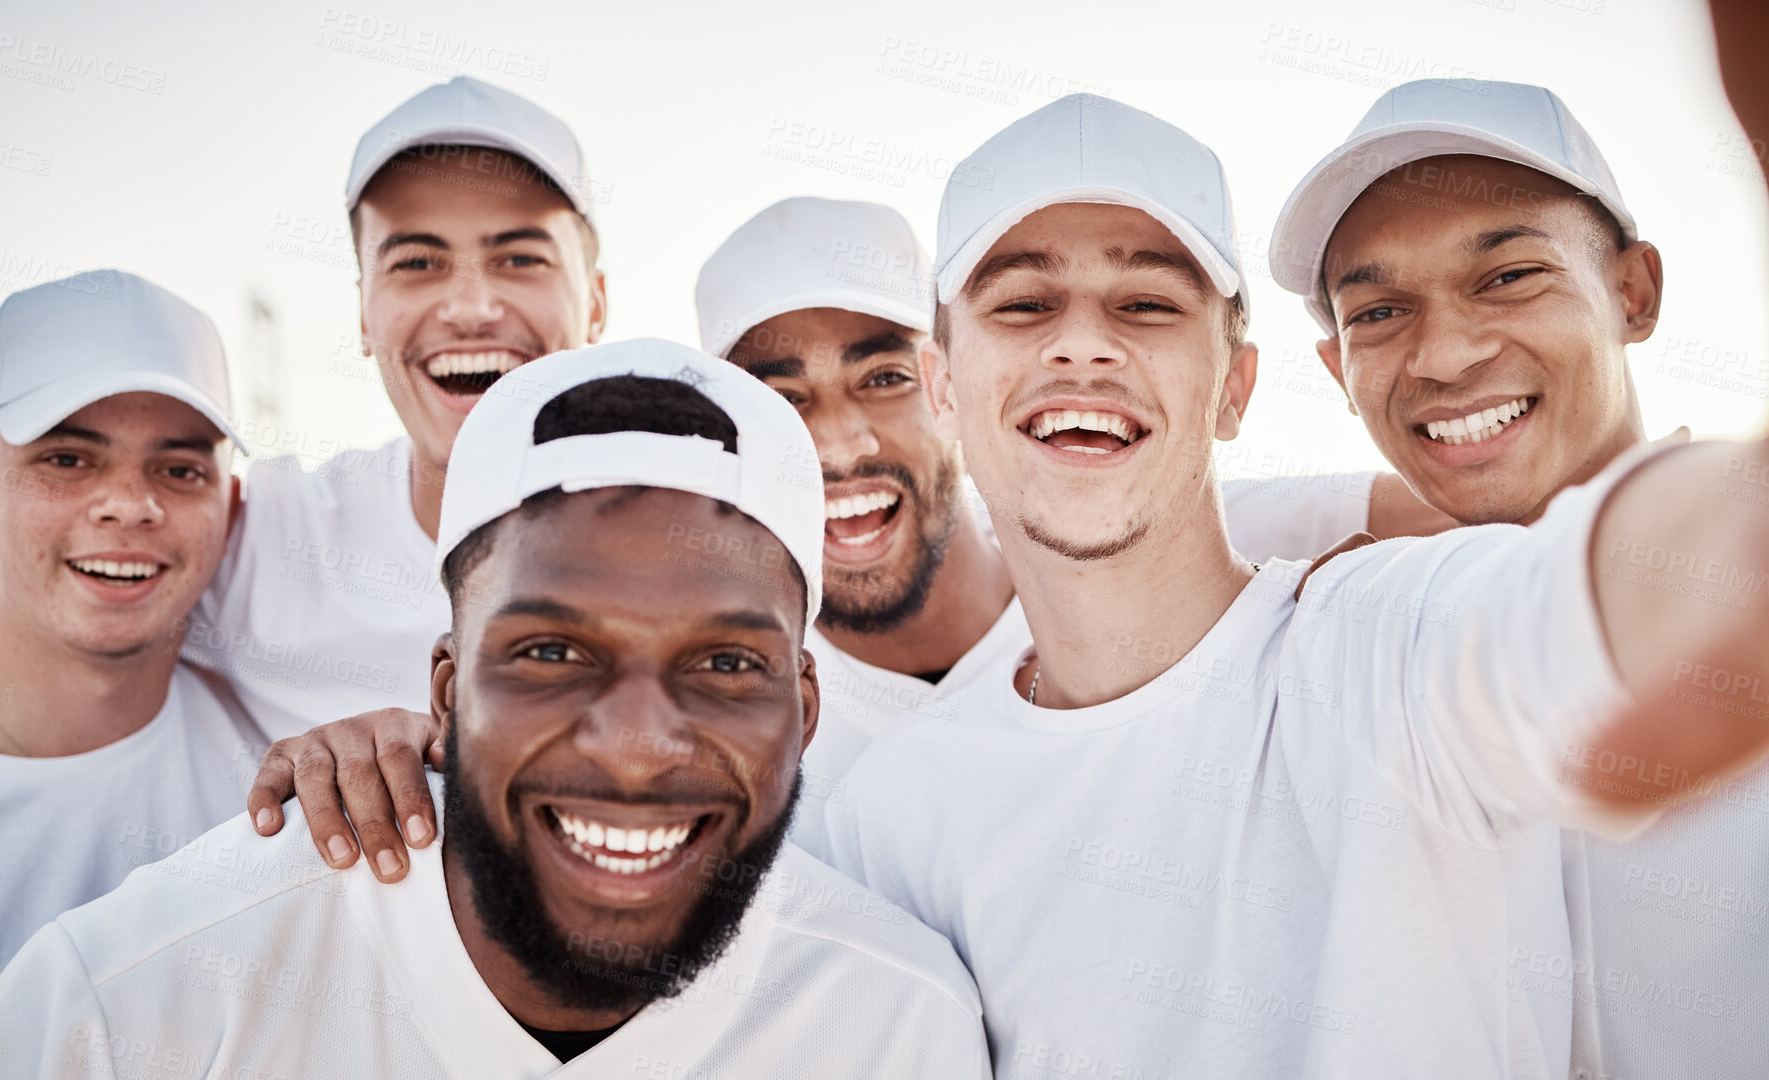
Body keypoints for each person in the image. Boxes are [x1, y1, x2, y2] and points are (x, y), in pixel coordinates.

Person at [823, 92, 1769, 1077]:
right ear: (939, 387)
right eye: (1021, 304)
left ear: (1236, 387)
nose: (1082, 347)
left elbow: (1600, 568)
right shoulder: (883, 816)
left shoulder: (1394, 642)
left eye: (1146, 304)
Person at [243, 194, 1455, 867]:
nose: (833, 444)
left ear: (945, 383)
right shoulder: (741, 715)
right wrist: (414, 741)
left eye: (876, 377)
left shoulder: (1154, 539)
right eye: (779, 396)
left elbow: (1496, 500)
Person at [0, 339, 990, 1078]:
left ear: (804, 708)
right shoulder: (147, 989)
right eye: (548, 651)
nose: (633, 747)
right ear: (443, 690)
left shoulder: (896, 1021)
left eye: (723, 666)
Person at [0, 75, 608, 881]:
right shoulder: (275, 532)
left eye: (519, 256)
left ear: (596, 301)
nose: (468, 306)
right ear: (362, 312)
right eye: (417, 261)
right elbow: (25, 609)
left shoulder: (698, 536)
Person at [1267, 77, 1768, 1080]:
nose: (1445, 355)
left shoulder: (1735, 579)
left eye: (1507, 277)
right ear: (1335, 370)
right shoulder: (1339, 629)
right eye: (1379, 311)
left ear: (1634, 293)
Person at [0, 270, 267, 1070]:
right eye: (68, 458)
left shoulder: (273, 787)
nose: (127, 505)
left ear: (230, 508)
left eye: (180, 470)